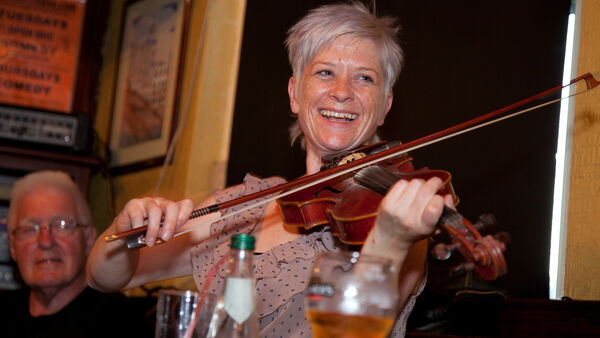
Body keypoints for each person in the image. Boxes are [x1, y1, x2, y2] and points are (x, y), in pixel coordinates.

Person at [87, 3, 454, 337]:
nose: (342, 91)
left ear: (385, 105)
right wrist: (121, 232)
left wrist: (389, 241)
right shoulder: (246, 205)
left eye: (364, 78)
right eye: (325, 72)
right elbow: (103, 277)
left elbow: (351, 332)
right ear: (295, 94)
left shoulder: (395, 216)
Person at [0, 171, 152, 338]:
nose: (45, 241)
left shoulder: (120, 322)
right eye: (30, 229)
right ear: (12, 246)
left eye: (62, 225)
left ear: (88, 239)